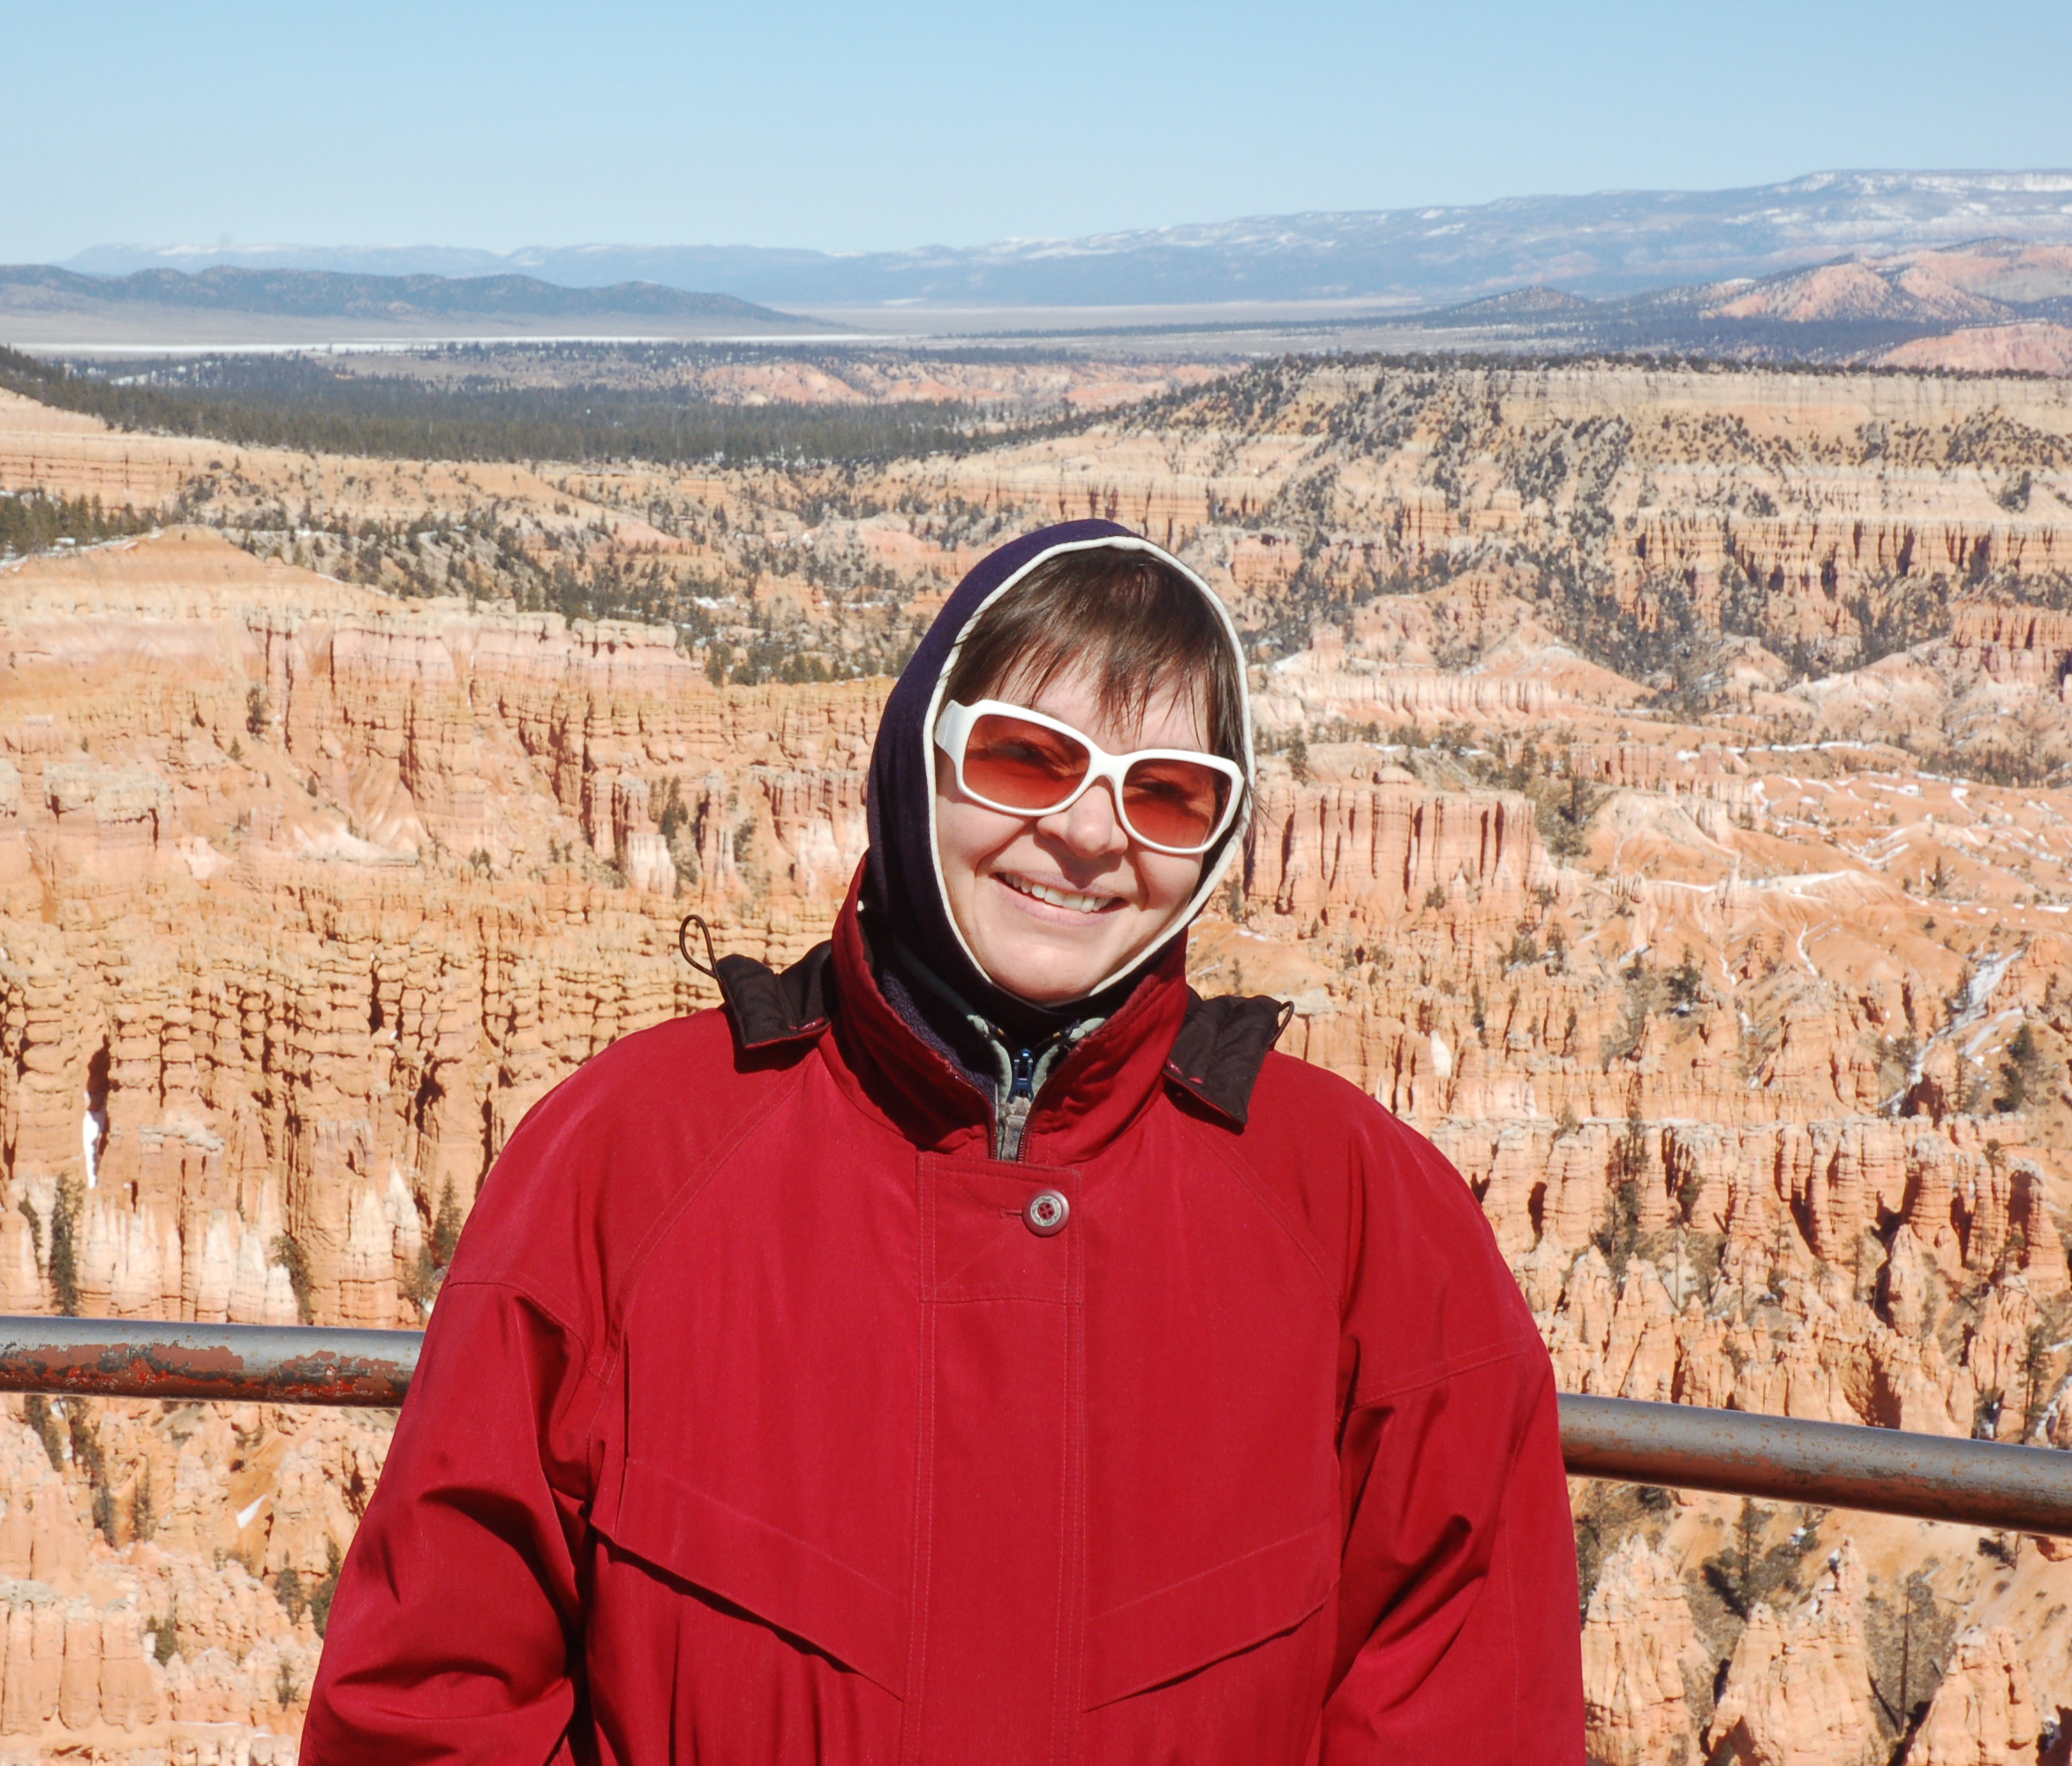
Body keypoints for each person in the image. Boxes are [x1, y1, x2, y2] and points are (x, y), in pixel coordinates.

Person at [302, 520, 1584, 1764]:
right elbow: (431, 1701)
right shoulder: (630, 1161)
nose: (1090, 836)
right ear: (918, 756)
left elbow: (1468, 1713)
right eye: (1028, 760)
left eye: (1166, 793)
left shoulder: (1363, 1220)